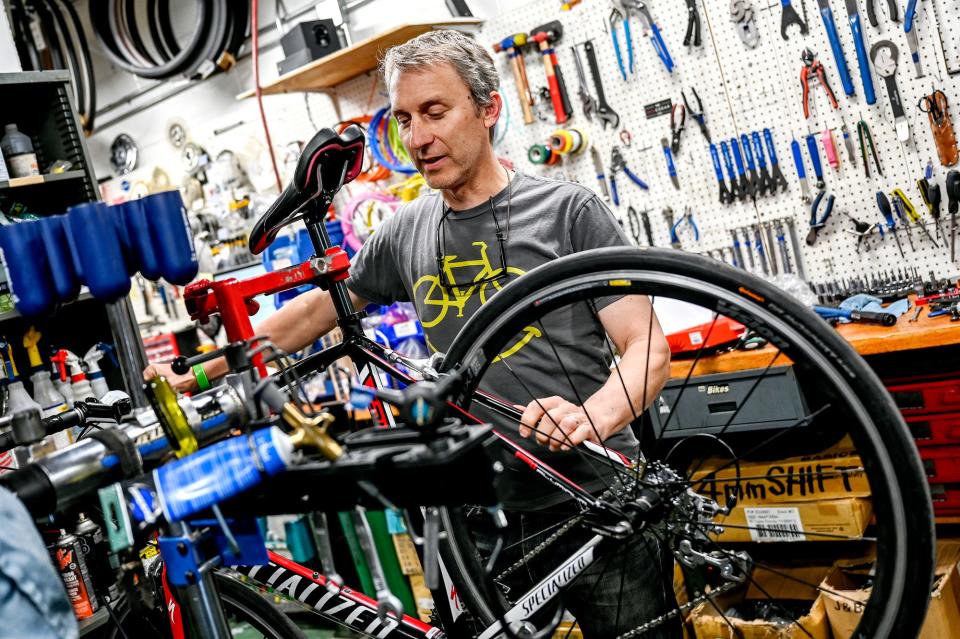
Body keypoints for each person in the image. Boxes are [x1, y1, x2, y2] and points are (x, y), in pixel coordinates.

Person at [145, 29, 676, 638]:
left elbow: (647, 349)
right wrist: (197, 373)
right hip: (484, 516)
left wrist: (592, 414)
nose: (418, 138)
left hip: (593, 499)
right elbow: (318, 313)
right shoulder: (406, 231)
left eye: (434, 112)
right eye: (403, 118)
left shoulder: (568, 212)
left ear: (488, 108)